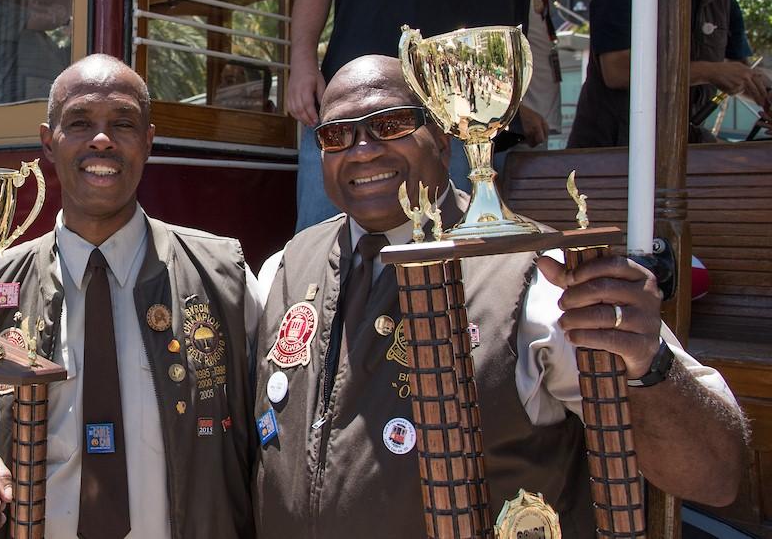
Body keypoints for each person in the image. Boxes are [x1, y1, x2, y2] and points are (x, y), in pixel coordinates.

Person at [253, 55, 746, 537]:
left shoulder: (543, 279)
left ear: (442, 138)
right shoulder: (285, 268)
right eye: (337, 135)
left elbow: (713, 477)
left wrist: (650, 365)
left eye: (391, 124)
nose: (362, 150)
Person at [0, 54, 261, 539]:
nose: (101, 139)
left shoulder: (224, 278)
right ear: (49, 142)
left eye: (122, 123)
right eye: (80, 122)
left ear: (148, 141)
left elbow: (270, 437)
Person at [288, 0, 543, 231]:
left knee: (465, 244)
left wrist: (507, 100)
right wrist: (301, 60)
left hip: (469, 102)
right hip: (348, 102)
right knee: (318, 249)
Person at [567, 0, 771, 147]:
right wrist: (709, 71)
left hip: (684, 146)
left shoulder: (723, 3)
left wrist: (767, 94)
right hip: (613, 148)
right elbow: (617, 71)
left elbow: (741, 72)